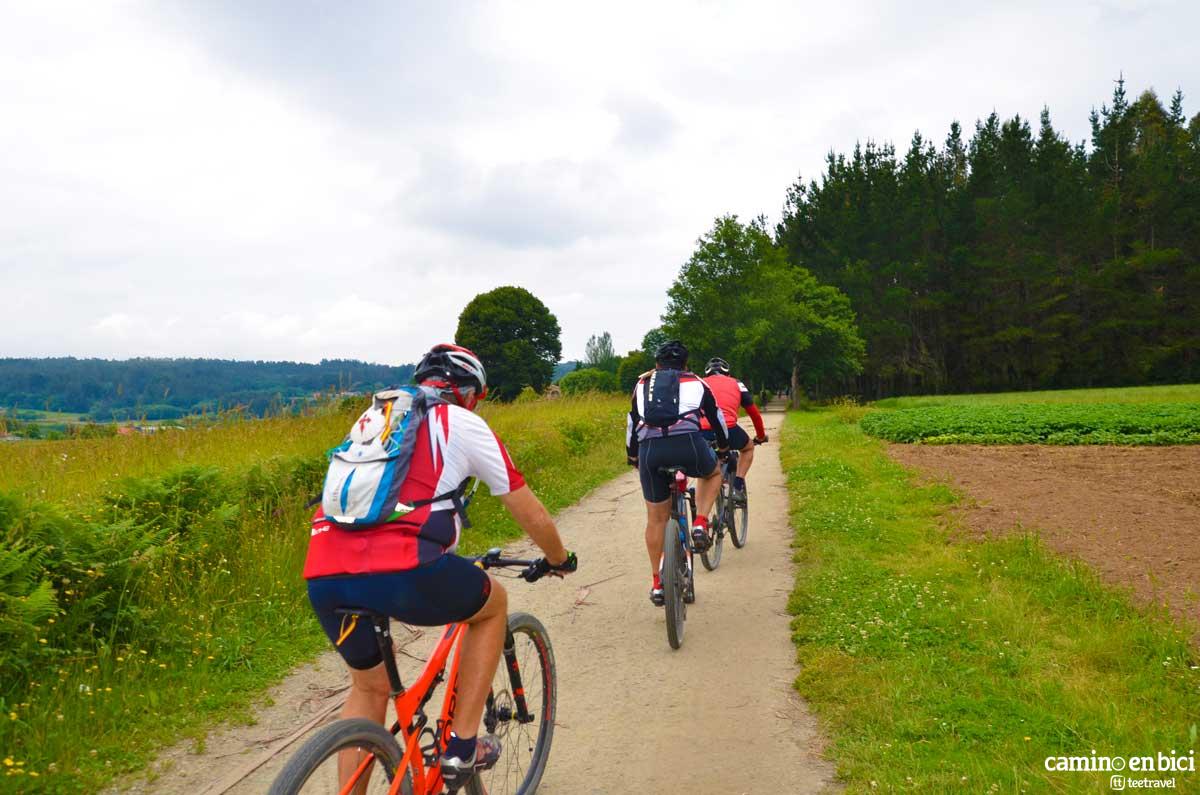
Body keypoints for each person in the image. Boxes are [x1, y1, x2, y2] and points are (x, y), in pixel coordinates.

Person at [303, 343, 576, 789]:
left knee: (368, 688)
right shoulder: (463, 423)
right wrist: (558, 559)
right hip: (406, 571)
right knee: (493, 604)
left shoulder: (375, 419)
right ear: (470, 393)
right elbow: (531, 513)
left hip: (325, 573)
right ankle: (462, 749)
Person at [626, 340, 729, 605]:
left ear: (657, 364)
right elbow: (715, 417)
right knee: (713, 473)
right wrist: (724, 446)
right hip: (688, 446)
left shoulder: (641, 385)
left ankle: (658, 584)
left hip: (651, 452)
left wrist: (633, 456)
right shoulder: (697, 382)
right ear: (685, 364)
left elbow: (632, 424)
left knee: (655, 519)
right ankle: (700, 522)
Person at [699, 357, 769, 502]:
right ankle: (737, 485)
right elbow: (754, 414)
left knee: (707, 466)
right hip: (728, 429)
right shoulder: (737, 383)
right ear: (728, 373)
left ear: (707, 373)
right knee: (748, 447)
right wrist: (760, 436)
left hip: (702, 431)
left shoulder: (699, 383)